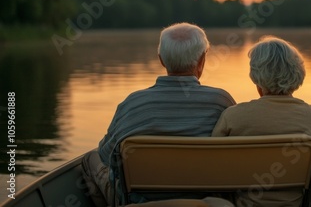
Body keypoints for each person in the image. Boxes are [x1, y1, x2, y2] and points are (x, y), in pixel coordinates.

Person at [82, 23, 236, 206]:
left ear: (161, 60)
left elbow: (107, 156)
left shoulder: (132, 103)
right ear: (202, 60)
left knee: (90, 158)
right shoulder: (221, 101)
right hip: (203, 201)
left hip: (140, 202)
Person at [212, 36, 311, 207]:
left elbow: (215, 163)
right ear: (298, 74)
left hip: (245, 203)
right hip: (297, 203)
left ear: (255, 77)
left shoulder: (232, 116)